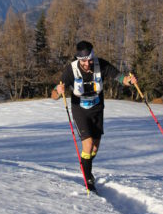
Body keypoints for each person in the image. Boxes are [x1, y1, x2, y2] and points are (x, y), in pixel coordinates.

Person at [52, 40, 137, 191]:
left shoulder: (101, 64)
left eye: (90, 60)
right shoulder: (71, 70)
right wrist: (58, 92)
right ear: (79, 59)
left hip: (97, 109)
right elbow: (53, 94)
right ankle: (88, 179)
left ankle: (85, 165)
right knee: (88, 143)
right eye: (84, 61)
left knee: (95, 148)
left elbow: (120, 78)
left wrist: (129, 80)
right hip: (80, 110)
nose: (87, 63)